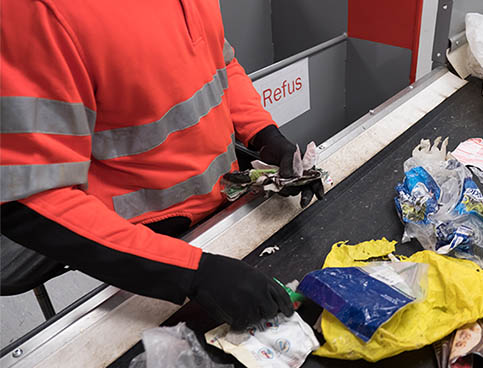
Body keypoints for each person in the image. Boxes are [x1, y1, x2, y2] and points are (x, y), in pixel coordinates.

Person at [0, 0, 323, 329]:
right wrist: (190, 272)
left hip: (223, 215)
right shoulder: (39, 12)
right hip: (143, 248)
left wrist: (263, 134)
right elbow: (32, 201)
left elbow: (220, 63)